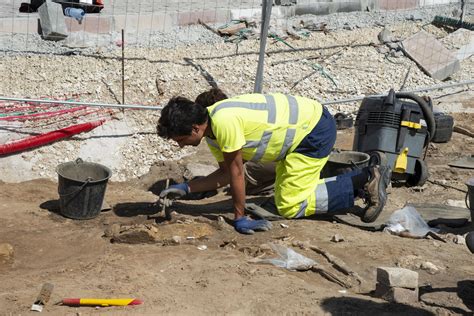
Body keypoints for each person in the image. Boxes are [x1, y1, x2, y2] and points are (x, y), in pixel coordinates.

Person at [157, 88, 391, 234]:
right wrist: (186, 189)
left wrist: (239, 217)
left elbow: (237, 173)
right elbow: (227, 174)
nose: (180, 145)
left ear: (195, 128)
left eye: (181, 139)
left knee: (289, 205)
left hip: (313, 132)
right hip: (302, 132)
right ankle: (360, 180)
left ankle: (365, 178)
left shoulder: (223, 122)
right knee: (285, 193)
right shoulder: (213, 133)